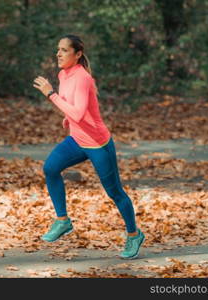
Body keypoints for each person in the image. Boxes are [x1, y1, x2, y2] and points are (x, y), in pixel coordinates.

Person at [32, 34, 145, 259]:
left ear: (78, 54)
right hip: (77, 140)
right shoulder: (63, 74)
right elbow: (70, 110)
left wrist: (50, 94)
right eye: (58, 49)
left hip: (97, 143)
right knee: (50, 168)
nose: (58, 53)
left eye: (64, 50)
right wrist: (64, 114)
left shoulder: (83, 78)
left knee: (115, 192)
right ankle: (62, 220)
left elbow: (78, 112)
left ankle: (134, 234)